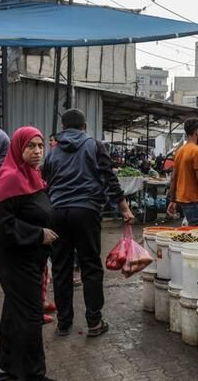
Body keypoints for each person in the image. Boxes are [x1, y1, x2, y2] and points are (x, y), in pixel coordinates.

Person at [43, 109, 134, 338]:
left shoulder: (53, 152)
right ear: (84, 126)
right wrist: (124, 207)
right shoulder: (94, 145)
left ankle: (64, 323)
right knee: (90, 266)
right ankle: (94, 322)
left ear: (63, 128)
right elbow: (109, 179)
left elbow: (46, 182)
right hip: (86, 211)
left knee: (61, 268)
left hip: (57, 212)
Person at [0, 127, 58, 381]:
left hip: (30, 257)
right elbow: (2, 223)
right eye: (31, 146)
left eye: (40, 146)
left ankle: (5, 369)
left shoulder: (32, 175)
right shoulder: (11, 178)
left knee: (14, 314)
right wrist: (38, 234)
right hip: (15, 259)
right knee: (30, 316)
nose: (37, 151)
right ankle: (33, 374)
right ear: (18, 148)